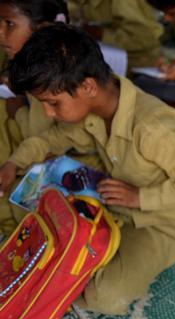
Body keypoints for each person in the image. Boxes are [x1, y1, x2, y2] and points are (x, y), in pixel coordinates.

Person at [0, 24, 175, 314]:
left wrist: (141, 197)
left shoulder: (152, 129)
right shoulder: (95, 108)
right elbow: (51, 138)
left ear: (88, 87)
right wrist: (13, 162)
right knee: (21, 198)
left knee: (104, 295)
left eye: (53, 103)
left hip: (160, 222)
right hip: (112, 198)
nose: (49, 113)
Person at [0, 0, 99, 236]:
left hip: (65, 161)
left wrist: (19, 112)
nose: (0, 32)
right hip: (39, 147)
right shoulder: (33, 64)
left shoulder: (60, 76)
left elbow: (43, 137)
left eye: (9, 24)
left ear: (42, 28)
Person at [67, 0, 163, 69]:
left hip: (138, 63)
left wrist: (102, 34)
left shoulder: (124, 3)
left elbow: (144, 38)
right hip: (102, 59)